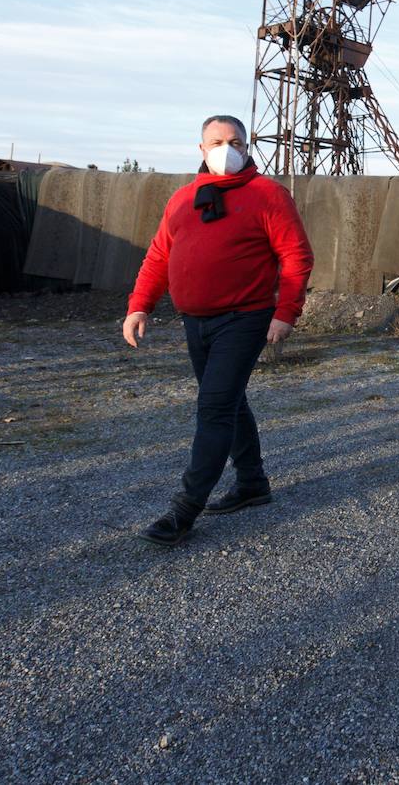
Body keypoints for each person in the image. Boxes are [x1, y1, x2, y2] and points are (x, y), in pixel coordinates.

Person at [123, 115, 313, 546]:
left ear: (247, 147)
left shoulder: (268, 195)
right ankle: (252, 483)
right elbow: (158, 256)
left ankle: (184, 510)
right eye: (216, 141)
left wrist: (286, 313)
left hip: (244, 319)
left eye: (235, 141)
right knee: (228, 402)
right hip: (195, 320)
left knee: (213, 408)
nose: (226, 148)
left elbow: (297, 257)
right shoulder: (183, 199)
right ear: (201, 148)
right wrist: (139, 307)